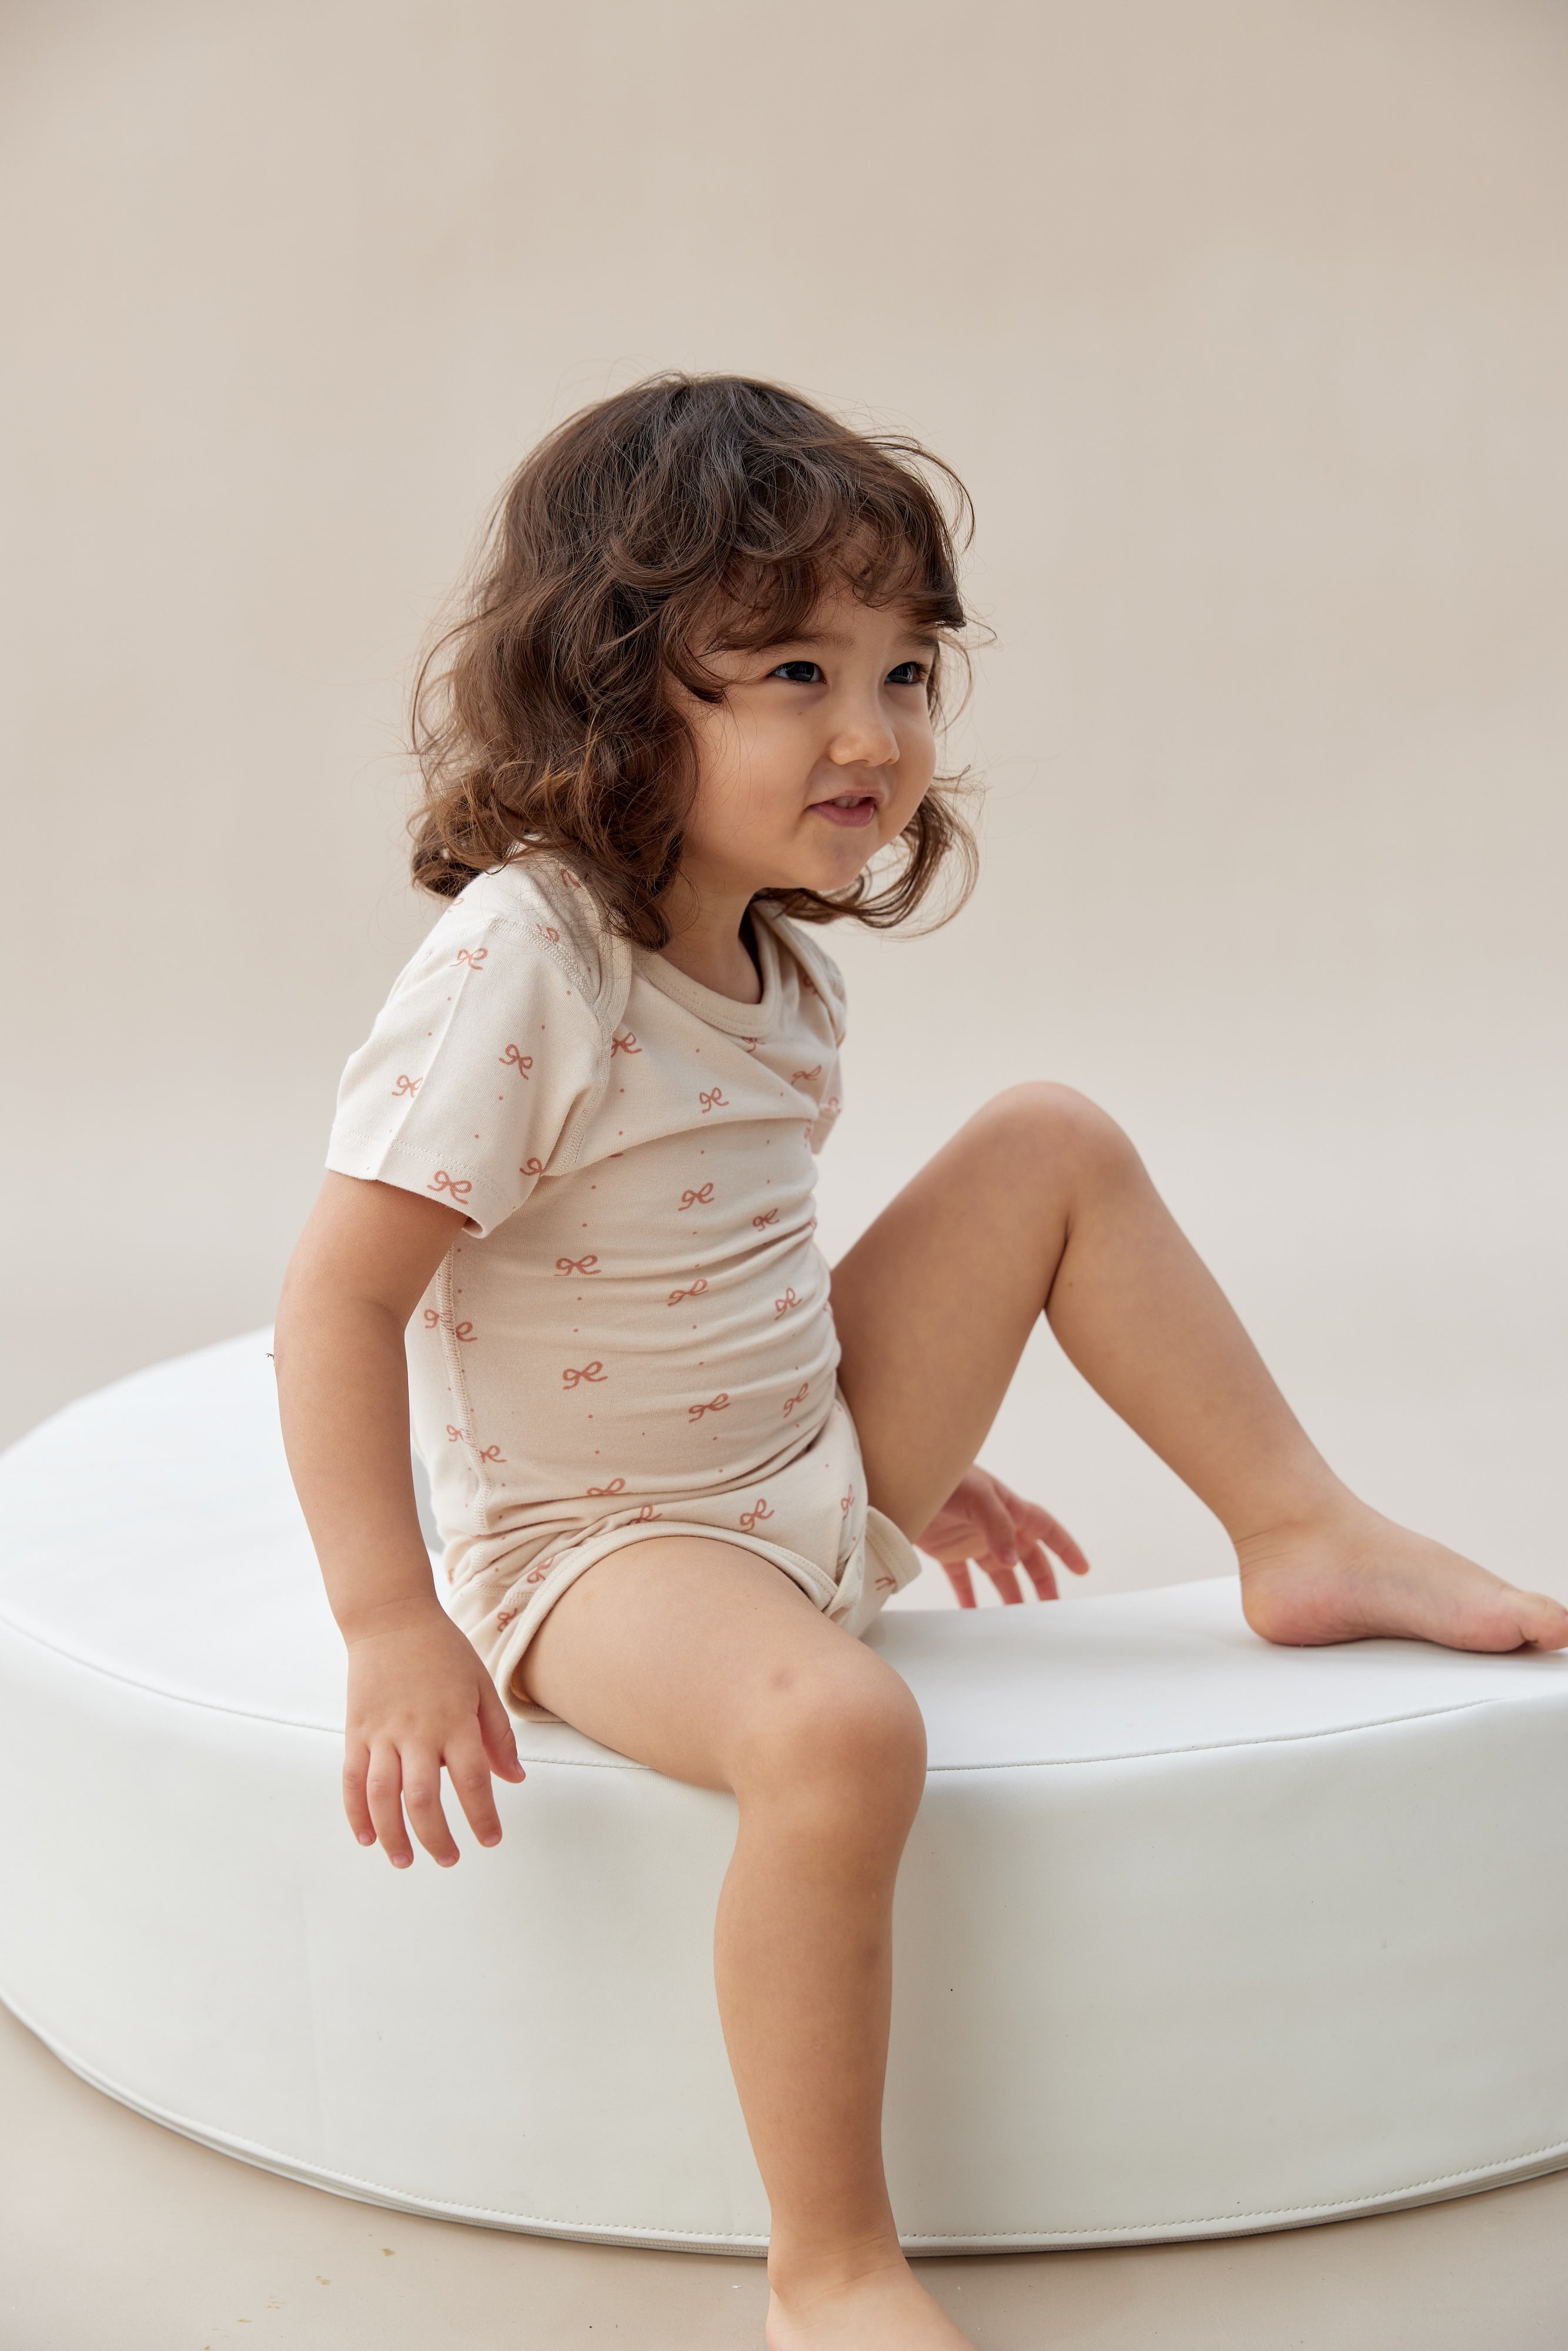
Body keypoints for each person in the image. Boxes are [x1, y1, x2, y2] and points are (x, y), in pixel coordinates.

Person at [273, 373, 1568, 2351]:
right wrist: (388, 1618)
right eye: (792, 669)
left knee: (1046, 1137)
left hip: (791, 1476)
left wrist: (897, 1450)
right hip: (601, 1547)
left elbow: (717, 1260)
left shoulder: (776, 958)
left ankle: (1299, 1529)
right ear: (617, 694)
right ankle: (834, 2265)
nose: (869, 730)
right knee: (841, 1737)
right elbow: (343, 1300)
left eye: (903, 669)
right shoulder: (526, 958)